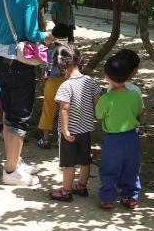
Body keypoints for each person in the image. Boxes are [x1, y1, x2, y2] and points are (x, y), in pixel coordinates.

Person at [0, 0, 55, 186]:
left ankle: (14, 162)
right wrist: (47, 37)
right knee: (20, 118)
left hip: (1, 64)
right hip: (19, 65)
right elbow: (31, 32)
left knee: (10, 115)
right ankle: (10, 172)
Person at [49, 44, 100, 202]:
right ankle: (82, 186)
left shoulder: (66, 86)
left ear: (61, 66)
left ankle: (66, 191)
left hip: (69, 132)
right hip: (85, 130)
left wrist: (65, 130)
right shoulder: (90, 81)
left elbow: (65, 108)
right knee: (85, 160)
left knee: (69, 164)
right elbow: (97, 101)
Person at [96, 54, 143, 209]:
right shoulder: (135, 94)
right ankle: (130, 195)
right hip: (131, 137)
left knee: (109, 167)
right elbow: (139, 113)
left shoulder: (106, 98)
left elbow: (98, 115)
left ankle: (108, 197)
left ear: (107, 77)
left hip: (113, 139)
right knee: (132, 166)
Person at [37, 24, 73, 149]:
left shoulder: (49, 53)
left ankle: (45, 139)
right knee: (67, 111)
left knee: (48, 110)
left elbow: (44, 73)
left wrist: (45, 83)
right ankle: (67, 137)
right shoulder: (71, 53)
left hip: (51, 83)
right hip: (67, 83)